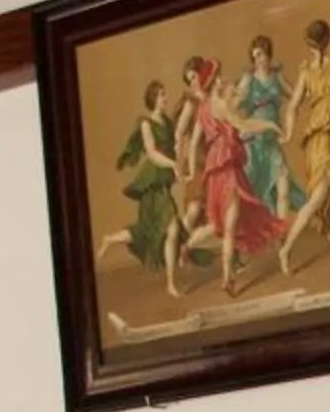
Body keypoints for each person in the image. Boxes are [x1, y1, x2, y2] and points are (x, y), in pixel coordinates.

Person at [174, 54, 279, 292]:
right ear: (213, 81)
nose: (221, 80)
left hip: (216, 169)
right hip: (226, 168)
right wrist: (269, 125)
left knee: (219, 224)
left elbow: (194, 145)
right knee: (228, 225)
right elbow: (242, 125)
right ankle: (227, 279)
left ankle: (188, 246)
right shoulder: (217, 104)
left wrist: (192, 172)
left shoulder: (203, 108)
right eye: (218, 77)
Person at [279, 19, 330, 269]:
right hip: (321, 138)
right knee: (318, 198)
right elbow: (292, 106)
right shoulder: (309, 71)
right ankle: (286, 249)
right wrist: (289, 133)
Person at [114, 79, 194, 296]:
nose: (165, 98)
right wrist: (173, 164)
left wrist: (182, 166)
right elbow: (152, 154)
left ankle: (110, 240)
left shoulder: (167, 123)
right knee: (170, 230)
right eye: (161, 95)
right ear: (152, 99)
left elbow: (177, 144)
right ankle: (171, 284)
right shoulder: (146, 124)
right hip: (151, 184)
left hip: (163, 184)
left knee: (160, 231)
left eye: (165, 94)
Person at [236, 36, 306, 219]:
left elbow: (295, 96)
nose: (259, 59)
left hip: (272, 140)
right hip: (253, 142)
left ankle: (281, 232)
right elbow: (233, 105)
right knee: (252, 189)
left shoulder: (277, 77)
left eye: (261, 54)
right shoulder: (248, 79)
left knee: (282, 184)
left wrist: (306, 76)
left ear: (268, 54)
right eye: (255, 56)